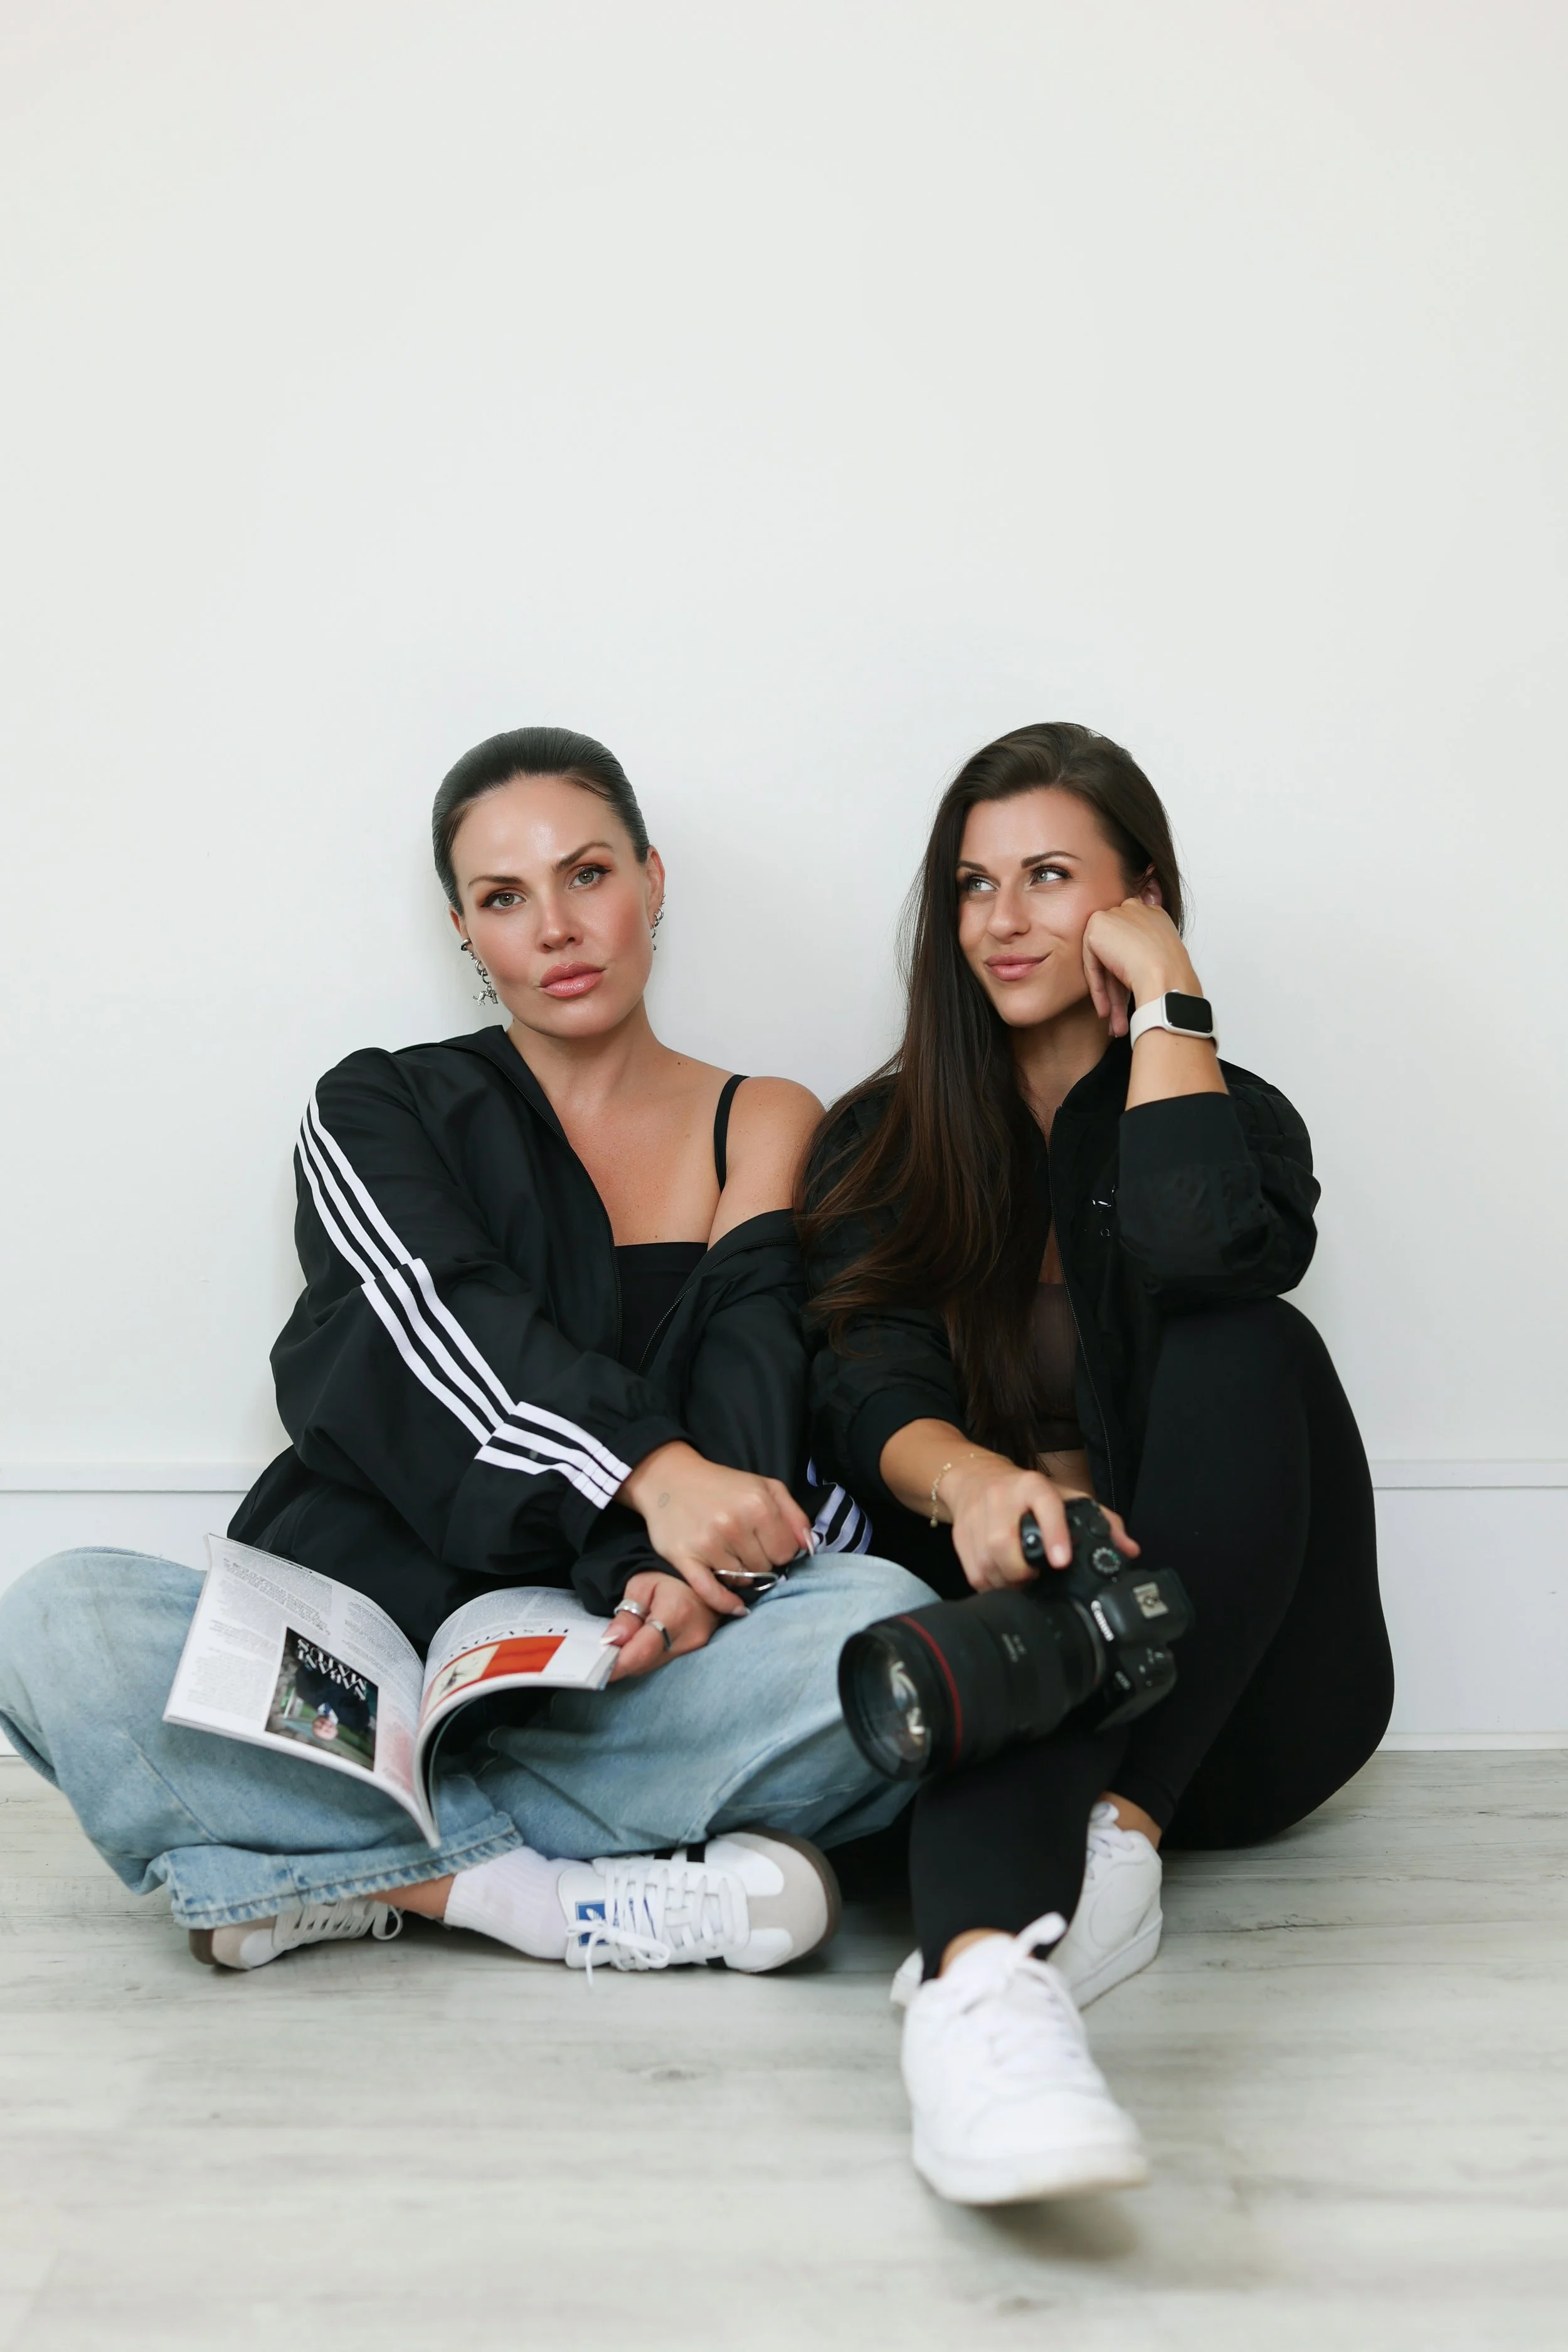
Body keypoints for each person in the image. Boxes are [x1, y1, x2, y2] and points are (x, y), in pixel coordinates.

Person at [0, 726, 931, 1979]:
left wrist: (694, 1570)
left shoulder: (757, 1116)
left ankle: (334, 1868)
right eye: (503, 897)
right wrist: (649, 1476)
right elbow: (434, 1322)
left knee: (886, 1633)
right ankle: (534, 1897)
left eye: (587, 874)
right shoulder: (376, 1103)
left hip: (628, 1657)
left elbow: (752, 1347)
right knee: (58, 1624)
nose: (556, 927)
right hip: (364, 1652)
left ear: (652, 879)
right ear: (462, 929)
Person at [799, 721, 1393, 2206]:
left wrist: (1168, 1006)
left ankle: (1119, 1838)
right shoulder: (880, 1138)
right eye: (972, 883)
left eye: (1049, 877)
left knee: (1250, 1339)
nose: (1001, 920)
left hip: (1242, 1713)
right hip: (1016, 1661)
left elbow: (1204, 1256)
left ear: (1138, 896)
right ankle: (982, 1995)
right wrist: (973, 1482)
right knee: (1040, 1621)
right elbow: (867, 1387)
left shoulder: (1231, 1116)